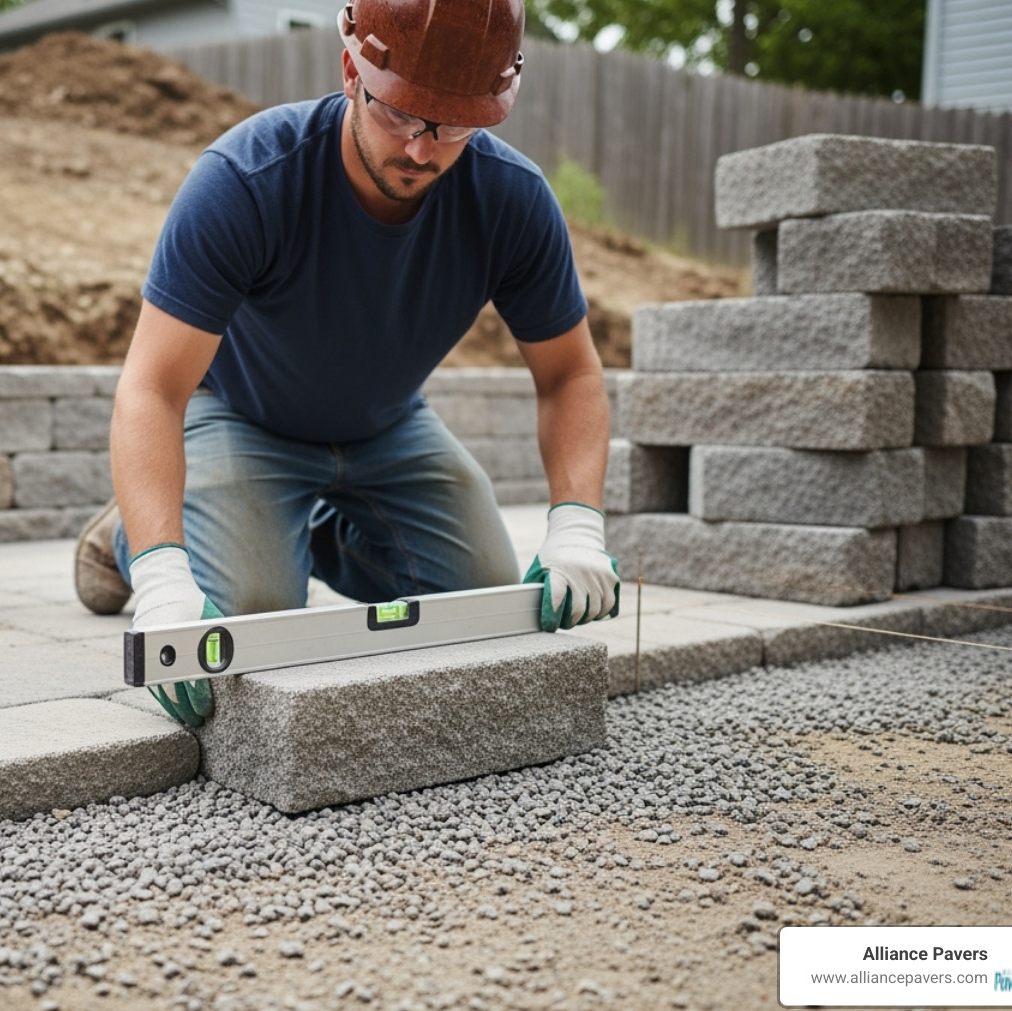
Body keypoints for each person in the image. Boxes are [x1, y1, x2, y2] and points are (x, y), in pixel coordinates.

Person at [75, 0, 619, 725]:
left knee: (487, 602)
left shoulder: (511, 201)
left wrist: (577, 524)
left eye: (453, 125)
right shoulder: (247, 179)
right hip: (242, 415)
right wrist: (164, 576)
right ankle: (132, 533)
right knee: (250, 621)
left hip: (386, 427)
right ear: (350, 74)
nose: (422, 150)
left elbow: (571, 374)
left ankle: (301, 529)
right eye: (400, 114)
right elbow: (150, 388)